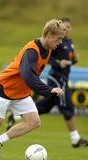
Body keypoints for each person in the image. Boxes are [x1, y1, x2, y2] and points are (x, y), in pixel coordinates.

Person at [0, 19, 66, 160]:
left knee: (34, 122)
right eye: (58, 38)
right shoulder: (32, 51)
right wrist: (49, 89)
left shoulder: (49, 48)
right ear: (49, 35)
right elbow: (28, 76)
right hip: (6, 89)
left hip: (21, 92)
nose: (60, 42)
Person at [6, 18, 88, 148]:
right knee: (67, 106)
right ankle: (75, 139)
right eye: (64, 27)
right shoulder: (55, 42)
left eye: (68, 27)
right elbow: (50, 58)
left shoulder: (69, 42)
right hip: (57, 78)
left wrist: (74, 60)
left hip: (64, 77)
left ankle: (16, 116)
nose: (66, 30)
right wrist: (57, 63)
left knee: (47, 105)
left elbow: (68, 60)